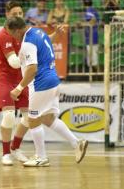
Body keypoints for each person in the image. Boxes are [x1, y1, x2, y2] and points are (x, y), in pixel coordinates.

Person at [7, 16, 88, 167]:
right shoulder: (38, 32)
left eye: (12, 33)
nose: (13, 37)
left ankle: (41, 157)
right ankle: (76, 143)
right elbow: (46, 42)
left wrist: (18, 89)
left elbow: (32, 69)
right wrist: (56, 34)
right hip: (53, 81)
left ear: (17, 30)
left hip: (41, 84)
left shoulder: (27, 43)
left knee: (33, 119)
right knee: (48, 119)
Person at [0, 1, 29, 166]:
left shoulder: (25, 32)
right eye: (15, 14)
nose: (18, 16)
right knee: (9, 116)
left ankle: (16, 148)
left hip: (21, 79)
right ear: (7, 15)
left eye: (21, 13)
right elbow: (14, 62)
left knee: (30, 117)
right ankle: (6, 153)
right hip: (5, 78)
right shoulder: (3, 35)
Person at [82, 0, 100, 68]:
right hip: (90, 37)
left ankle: (99, 77)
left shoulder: (89, 10)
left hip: (92, 37)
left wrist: (81, 24)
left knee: (93, 60)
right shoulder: (92, 10)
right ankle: (93, 77)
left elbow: (93, 21)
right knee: (91, 59)